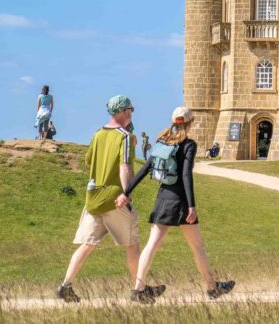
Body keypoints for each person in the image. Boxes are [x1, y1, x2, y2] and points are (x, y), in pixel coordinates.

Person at [122, 106, 235, 303]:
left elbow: (144, 169)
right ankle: (212, 287)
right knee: (197, 247)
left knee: (151, 245)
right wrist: (191, 206)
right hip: (181, 202)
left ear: (173, 121)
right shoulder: (188, 144)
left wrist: (126, 193)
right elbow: (185, 175)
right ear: (190, 122)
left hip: (163, 199)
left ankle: (138, 289)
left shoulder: (161, 141)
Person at [57, 95, 160, 303]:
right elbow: (125, 167)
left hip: (94, 198)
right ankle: (140, 289)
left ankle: (65, 285)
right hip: (114, 198)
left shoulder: (97, 135)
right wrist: (127, 193)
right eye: (130, 109)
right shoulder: (125, 137)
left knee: (87, 244)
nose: (132, 113)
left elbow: (89, 161)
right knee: (132, 244)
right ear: (124, 112)